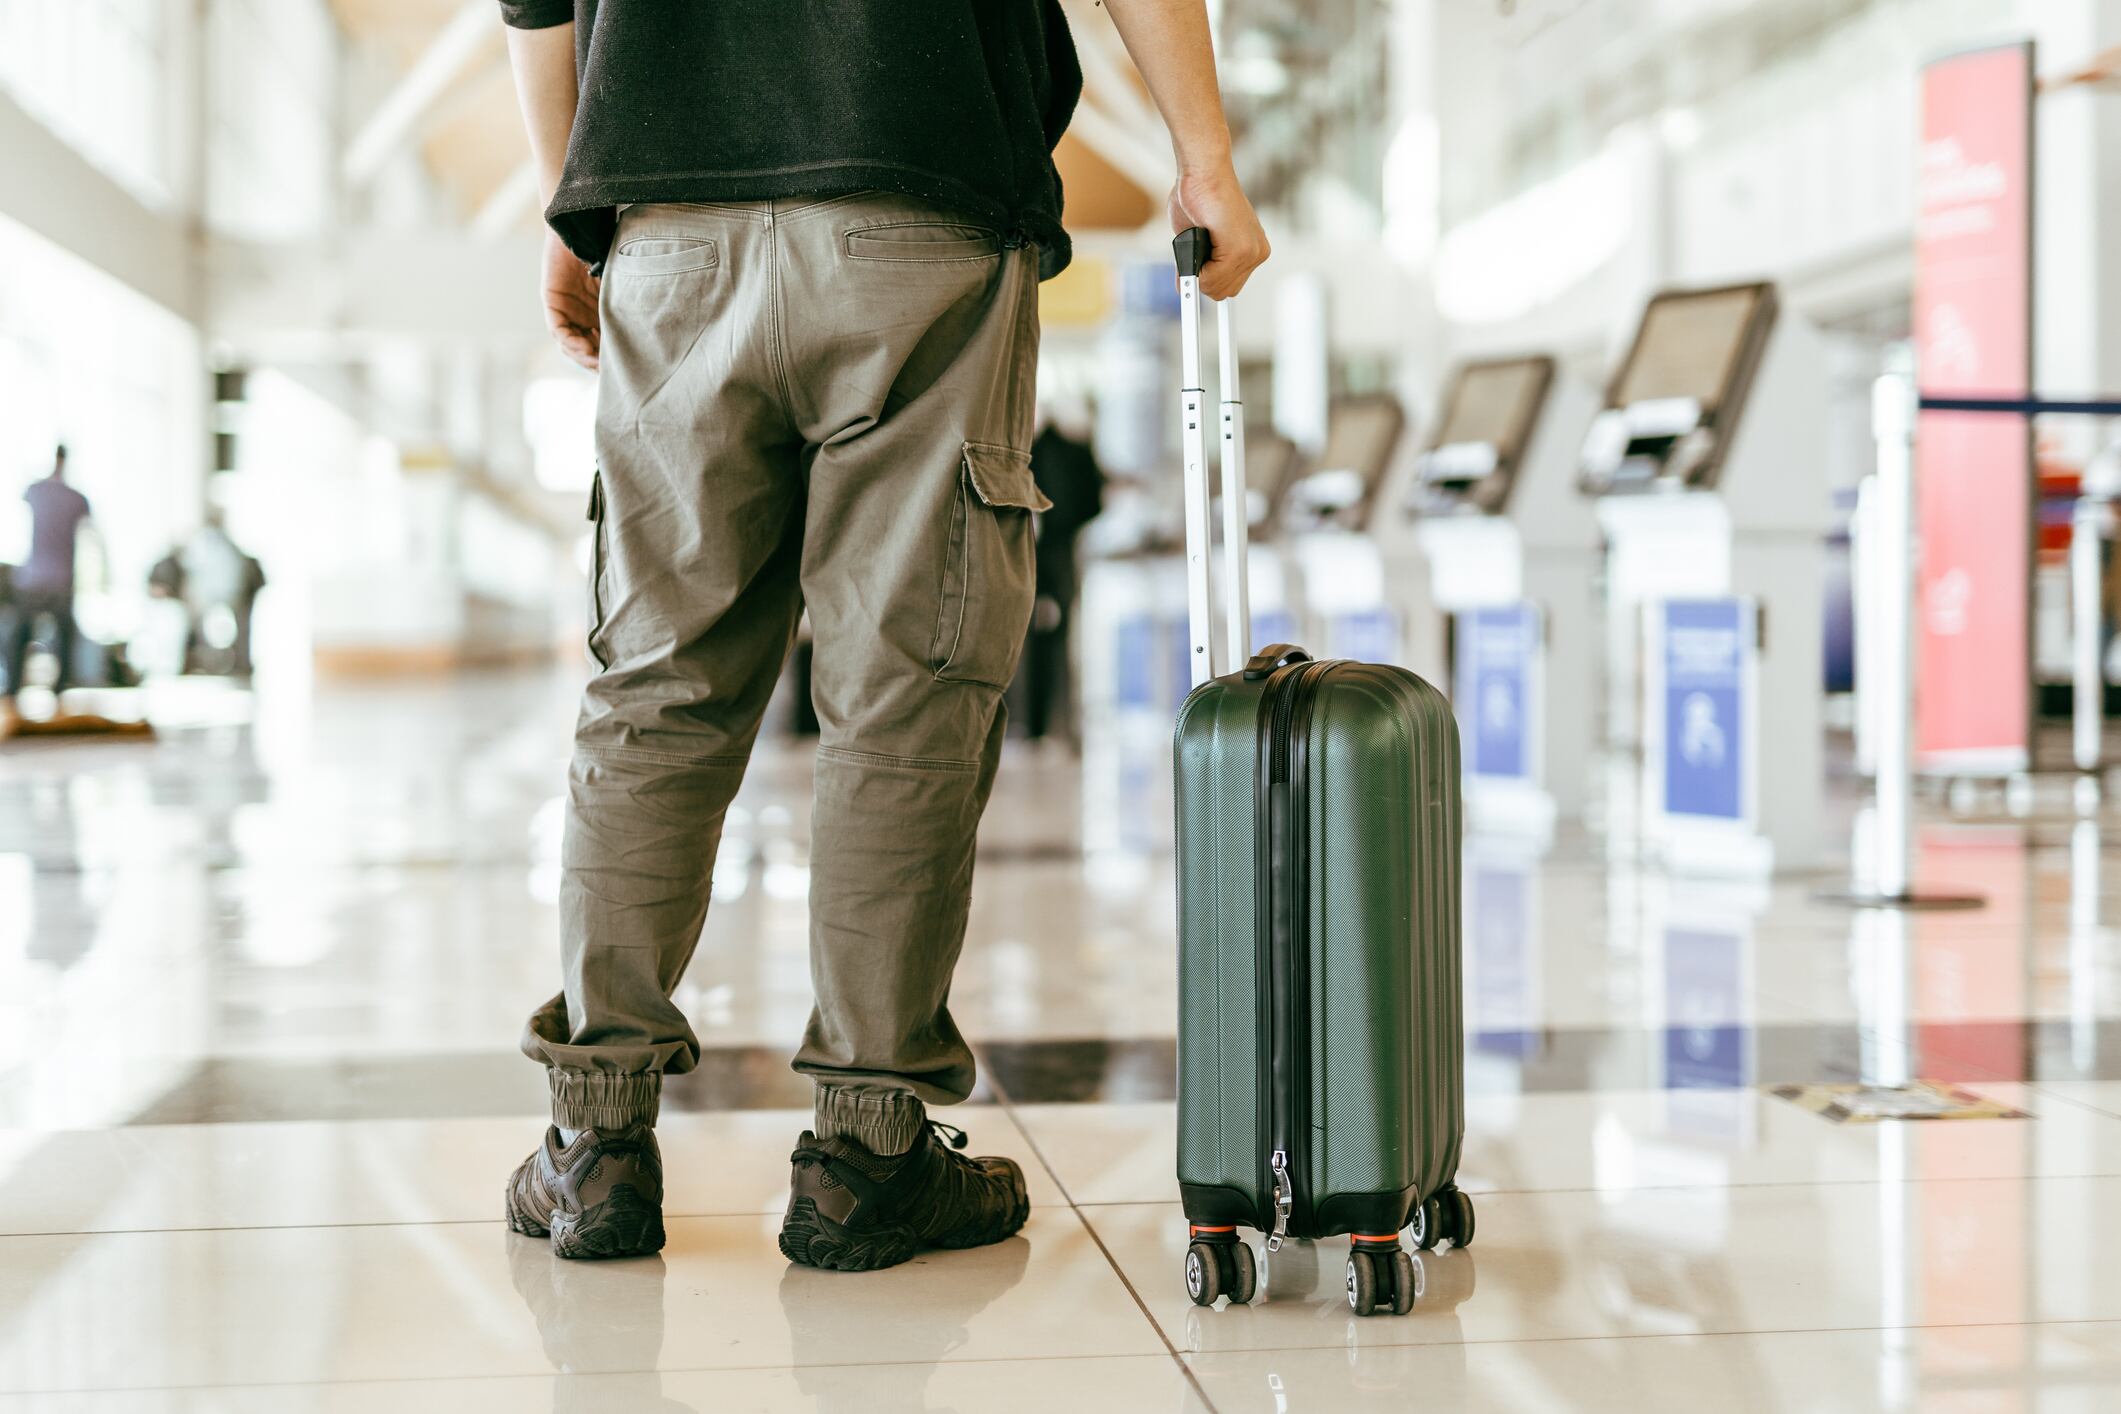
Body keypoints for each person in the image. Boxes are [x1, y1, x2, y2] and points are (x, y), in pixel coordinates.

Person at [496, 0, 1269, 1267]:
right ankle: (866, 1154)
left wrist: (564, 205)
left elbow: (535, 6)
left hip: (669, 221)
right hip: (922, 192)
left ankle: (594, 1145)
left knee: (656, 689)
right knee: (906, 687)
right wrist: (1205, 159)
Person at [1014, 411, 1106, 744]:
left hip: (1037, 553)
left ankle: (1031, 725)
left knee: (1028, 640)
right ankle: (1051, 724)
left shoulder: (1036, 451)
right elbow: (1091, 503)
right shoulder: (1063, 450)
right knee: (1055, 641)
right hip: (1056, 554)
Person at [5, 446, 92, 701]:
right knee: (65, 639)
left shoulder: (35, 490)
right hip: (61, 578)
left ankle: (12, 690)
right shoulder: (77, 498)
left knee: (20, 635)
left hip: (34, 577)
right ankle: (60, 690)